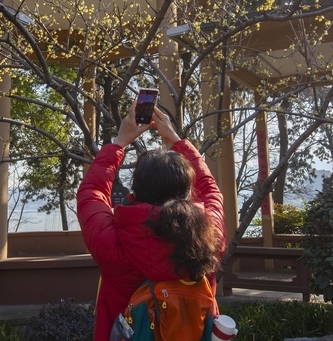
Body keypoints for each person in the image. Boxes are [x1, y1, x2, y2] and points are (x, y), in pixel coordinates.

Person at [77, 103, 226, 341]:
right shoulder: (209, 235)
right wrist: (177, 140)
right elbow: (210, 190)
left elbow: (91, 192)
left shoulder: (112, 240)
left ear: (136, 191)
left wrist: (119, 143)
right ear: (187, 192)